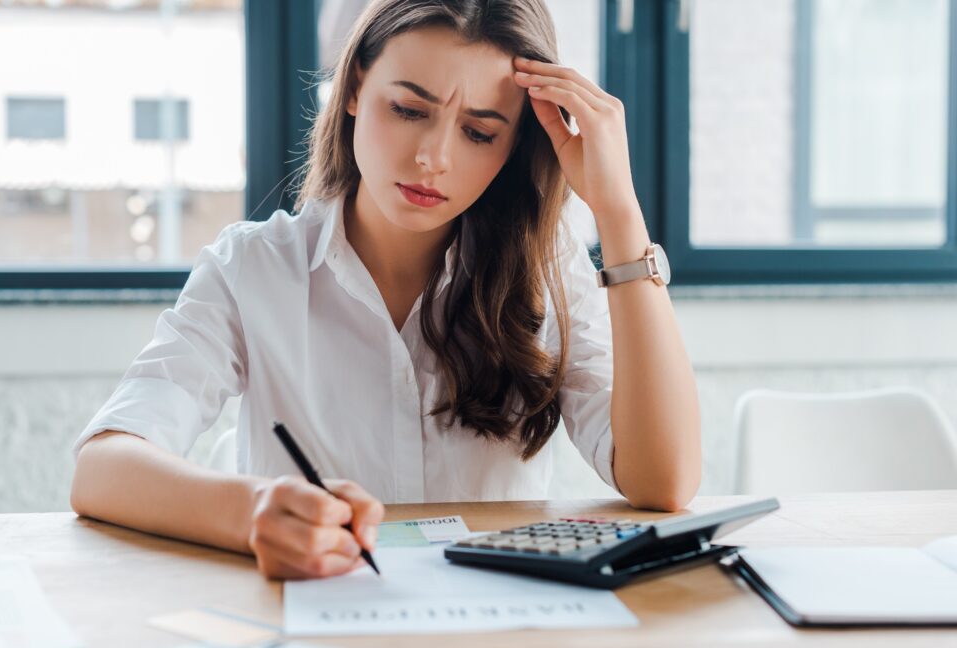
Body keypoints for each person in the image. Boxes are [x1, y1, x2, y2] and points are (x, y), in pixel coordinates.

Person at [70, 0, 702, 581]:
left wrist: (619, 214)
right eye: (408, 110)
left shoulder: (546, 273)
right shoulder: (255, 267)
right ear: (352, 90)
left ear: (512, 146)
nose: (434, 157)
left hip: (492, 641)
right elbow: (104, 469)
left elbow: (662, 481)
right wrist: (251, 511)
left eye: (480, 133)